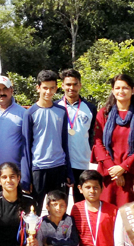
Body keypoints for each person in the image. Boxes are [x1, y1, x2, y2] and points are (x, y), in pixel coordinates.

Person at [92, 74, 134, 207]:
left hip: (131, 173)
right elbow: (97, 143)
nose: (121, 91)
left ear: (133, 90)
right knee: (107, 215)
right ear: (112, 90)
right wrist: (113, 169)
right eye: (117, 88)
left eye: (125, 88)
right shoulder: (103, 114)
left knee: (130, 215)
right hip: (108, 174)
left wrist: (123, 168)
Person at [22, 70, 73, 208]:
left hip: (58, 167)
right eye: (45, 88)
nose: (48, 92)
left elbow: (64, 143)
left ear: (56, 88)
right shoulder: (30, 113)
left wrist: (68, 170)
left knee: (58, 210)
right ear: (38, 88)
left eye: (52, 88)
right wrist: (26, 177)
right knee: (34, 211)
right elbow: (26, 147)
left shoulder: (61, 111)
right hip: (38, 169)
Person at [57, 69, 97, 203]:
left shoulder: (90, 108)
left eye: (75, 84)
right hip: (61, 163)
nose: (71, 88)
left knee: (81, 203)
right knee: (60, 203)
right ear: (62, 85)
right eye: (68, 84)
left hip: (82, 162)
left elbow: (92, 135)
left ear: (80, 85)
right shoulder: (55, 107)